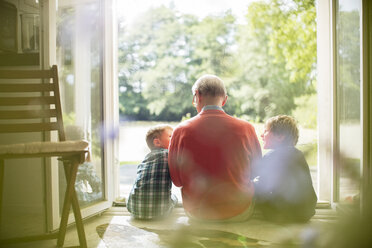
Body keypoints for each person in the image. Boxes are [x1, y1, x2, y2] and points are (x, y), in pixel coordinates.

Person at [168, 74, 262, 222]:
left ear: (197, 96)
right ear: (225, 100)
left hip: (198, 213)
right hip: (239, 211)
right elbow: (256, 171)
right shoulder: (246, 128)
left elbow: (177, 181)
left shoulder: (181, 130)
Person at [253, 115, 317, 223]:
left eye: (266, 131)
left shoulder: (271, 156)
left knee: (252, 190)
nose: (261, 135)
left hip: (282, 214)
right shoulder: (299, 155)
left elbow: (261, 187)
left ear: (280, 136)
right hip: (306, 212)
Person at [127, 124, 178, 220]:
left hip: (133, 208)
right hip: (160, 212)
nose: (175, 139)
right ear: (157, 142)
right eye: (171, 137)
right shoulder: (169, 155)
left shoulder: (146, 159)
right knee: (174, 197)